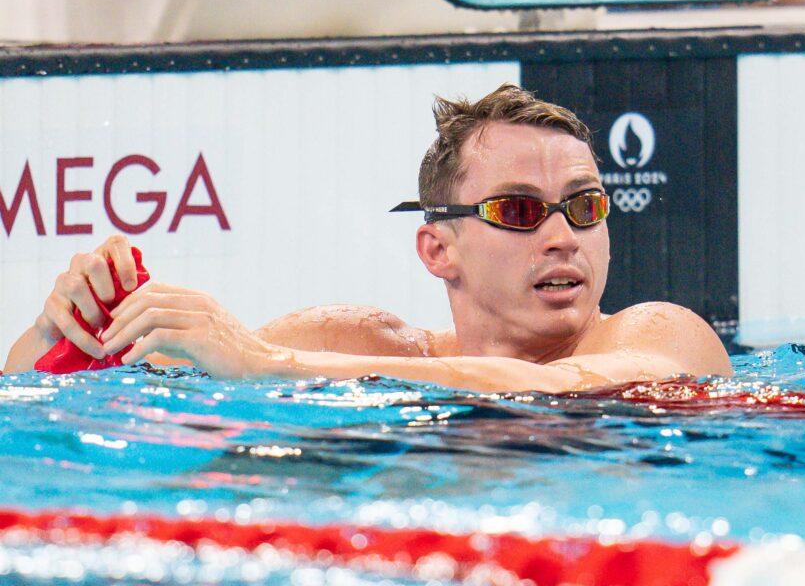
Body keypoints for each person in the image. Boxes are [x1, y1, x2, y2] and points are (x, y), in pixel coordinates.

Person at [5, 85, 732, 391]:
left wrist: (266, 363)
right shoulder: (352, 346)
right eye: (518, 212)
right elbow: (59, 398)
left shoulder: (663, 336)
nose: (561, 236)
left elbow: (552, 392)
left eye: (583, 208)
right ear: (436, 250)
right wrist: (64, 326)